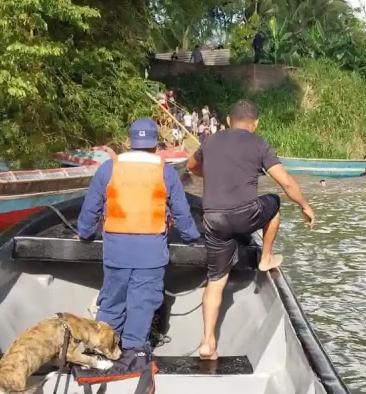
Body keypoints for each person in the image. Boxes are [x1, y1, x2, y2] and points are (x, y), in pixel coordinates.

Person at [187, 99, 314, 360]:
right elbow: (286, 183)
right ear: (255, 124)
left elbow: (191, 167)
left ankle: (207, 342)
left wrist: (209, 172)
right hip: (245, 216)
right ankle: (265, 259)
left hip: (213, 219)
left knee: (215, 281)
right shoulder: (260, 144)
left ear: (229, 122)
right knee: (274, 204)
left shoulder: (211, 141)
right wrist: (305, 206)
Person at [78, 118, 200, 359]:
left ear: (128, 142)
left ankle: (102, 352)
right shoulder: (166, 172)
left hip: (116, 252)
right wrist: (192, 237)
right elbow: (182, 214)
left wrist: (84, 233)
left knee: (111, 304)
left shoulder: (108, 168)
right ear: (156, 145)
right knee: (142, 305)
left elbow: (90, 209)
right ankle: (133, 356)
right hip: (151, 255)